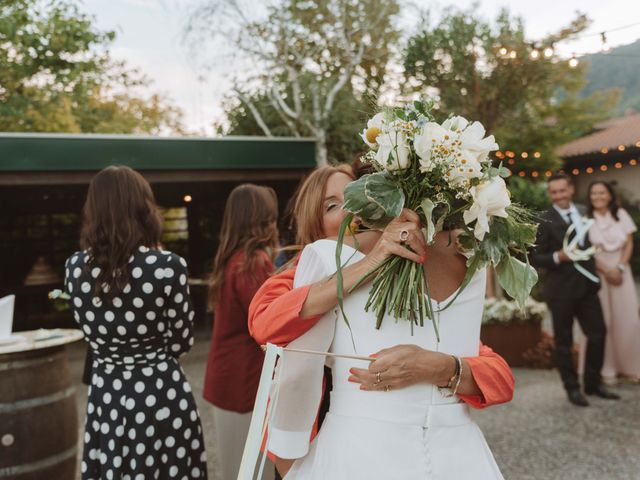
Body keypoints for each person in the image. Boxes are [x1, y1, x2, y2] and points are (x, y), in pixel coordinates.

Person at [249, 165, 514, 479]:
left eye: (360, 196)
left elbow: (497, 374)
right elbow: (266, 326)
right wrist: (367, 265)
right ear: (316, 226)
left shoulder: (420, 275)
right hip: (327, 450)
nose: (351, 209)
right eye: (333, 206)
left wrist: (439, 366)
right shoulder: (297, 277)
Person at [65, 166, 207, 479]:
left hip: (107, 396)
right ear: (143, 208)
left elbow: (90, 334)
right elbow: (182, 341)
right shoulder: (167, 267)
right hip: (160, 393)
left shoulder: (74, 268)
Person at [202, 184, 279, 480]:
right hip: (242, 383)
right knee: (248, 472)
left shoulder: (233, 258)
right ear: (258, 220)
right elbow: (270, 325)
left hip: (229, 378)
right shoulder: (252, 263)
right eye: (269, 218)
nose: (274, 225)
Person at [530, 173, 619, 407]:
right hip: (560, 291)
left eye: (562, 190)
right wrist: (557, 257)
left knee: (598, 333)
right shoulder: (543, 219)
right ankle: (572, 388)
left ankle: (593, 383)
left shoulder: (583, 211)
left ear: (571, 190)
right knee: (564, 341)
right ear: (550, 194)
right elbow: (534, 257)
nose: (559, 195)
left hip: (588, 287)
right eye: (554, 192)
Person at [579, 180, 640, 383]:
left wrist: (620, 268)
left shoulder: (621, 215)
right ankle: (606, 370)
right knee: (603, 321)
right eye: (594, 193)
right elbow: (585, 251)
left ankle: (631, 367)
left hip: (622, 272)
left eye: (602, 192)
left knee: (628, 319)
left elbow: (629, 243)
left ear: (610, 195)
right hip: (599, 273)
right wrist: (606, 271)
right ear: (589, 197)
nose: (598, 196)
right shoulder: (586, 219)